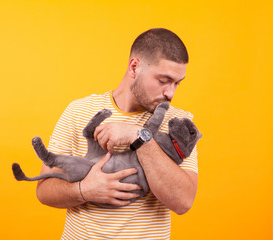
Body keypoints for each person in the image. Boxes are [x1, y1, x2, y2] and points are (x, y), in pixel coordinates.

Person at [36, 28, 199, 239]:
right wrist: (84, 190)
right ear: (134, 67)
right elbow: (44, 191)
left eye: (177, 83)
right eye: (163, 80)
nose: (170, 93)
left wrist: (139, 137)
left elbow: (183, 201)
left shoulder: (177, 124)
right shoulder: (78, 110)